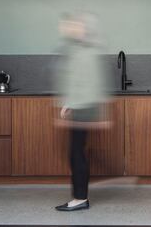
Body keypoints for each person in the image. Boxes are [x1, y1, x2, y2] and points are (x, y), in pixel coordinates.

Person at [53, 12, 111, 212]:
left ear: (83, 28)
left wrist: (77, 106)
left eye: (73, 25)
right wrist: (68, 103)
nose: (68, 28)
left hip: (84, 107)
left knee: (76, 153)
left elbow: (90, 82)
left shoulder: (86, 49)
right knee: (76, 152)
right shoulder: (80, 48)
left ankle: (80, 198)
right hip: (80, 105)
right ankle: (79, 197)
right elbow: (76, 79)